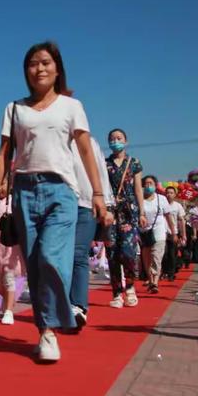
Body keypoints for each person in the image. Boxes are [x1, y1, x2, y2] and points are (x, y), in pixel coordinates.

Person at [0, 41, 108, 362]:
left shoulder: (71, 106)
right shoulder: (14, 109)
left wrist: (98, 193)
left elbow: (86, 150)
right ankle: (46, 334)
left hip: (62, 191)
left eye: (46, 63)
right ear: (26, 71)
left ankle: (64, 316)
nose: (40, 69)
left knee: (51, 256)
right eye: (33, 64)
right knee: (34, 265)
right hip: (24, 190)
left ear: (57, 69)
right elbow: (3, 156)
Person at [70, 137, 114, 329]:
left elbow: (101, 172)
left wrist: (106, 203)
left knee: (78, 254)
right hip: (57, 204)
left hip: (86, 204)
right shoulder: (48, 135)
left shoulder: (89, 141)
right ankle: (62, 302)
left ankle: (78, 306)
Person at [105, 128, 147, 308]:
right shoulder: (104, 163)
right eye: (112, 139)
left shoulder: (134, 162)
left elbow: (138, 188)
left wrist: (142, 212)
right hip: (110, 213)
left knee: (128, 251)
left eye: (119, 138)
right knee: (112, 252)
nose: (116, 141)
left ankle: (130, 287)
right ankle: (116, 293)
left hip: (129, 212)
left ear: (126, 141)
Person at [0, 177, 25, 325]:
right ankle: (10, 299)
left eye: (3, 184)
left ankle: (8, 311)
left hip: (10, 248)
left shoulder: (14, 203)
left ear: (10, 185)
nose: (0, 188)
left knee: (9, 278)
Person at [141, 175, 175, 294]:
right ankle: (150, 281)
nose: (148, 186)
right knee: (147, 258)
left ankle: (155, 282)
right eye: (146, 183)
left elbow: (168, 216)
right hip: (144, 232)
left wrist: (173, 232)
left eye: (151, 183)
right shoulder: (139, 199)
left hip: (159, 231)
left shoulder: (162, 199)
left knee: (156, 256)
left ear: (155, 186)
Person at [161, 186, 186, 280]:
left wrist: (183, 235)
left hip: (173, 232)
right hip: (162, 232)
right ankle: (164, 271)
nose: (169, 194)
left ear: (175, 195)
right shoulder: (162, 205)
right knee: (163, 253)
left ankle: (171, 273)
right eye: (167, 192)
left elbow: (181, 221)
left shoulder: (177, 206)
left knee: (172, 254)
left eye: (171, 193)